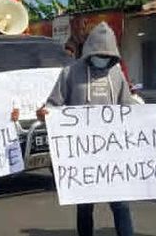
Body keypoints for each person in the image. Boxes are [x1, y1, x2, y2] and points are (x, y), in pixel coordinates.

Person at [38, 22, 139, 236]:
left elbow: (129, 109)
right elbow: (54, 103)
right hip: (83, 154)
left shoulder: (117, 74)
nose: (102, 57)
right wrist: (46, 112)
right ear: (89, 51)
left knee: (121, 205)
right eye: (98, 53)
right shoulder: (70, 73)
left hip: (113, 153)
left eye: (107, 53)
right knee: (84, 206)